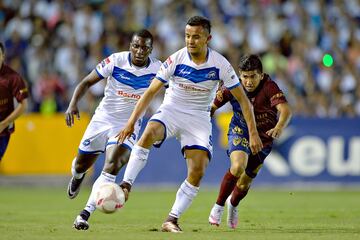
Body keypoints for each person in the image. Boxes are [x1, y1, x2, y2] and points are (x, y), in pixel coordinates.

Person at [117, 16, 263, 233]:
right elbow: (150, 92)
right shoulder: (175, 59)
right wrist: (130, 123)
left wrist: (253, 134)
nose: (190, 41)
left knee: (198, 170)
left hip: (198, 118)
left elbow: (244, 102)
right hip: (172, 111)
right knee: (148, 133)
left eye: (196, 36)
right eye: (187, 36)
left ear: (208, 38)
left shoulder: (220, 64)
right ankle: (125, 185)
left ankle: (171, 219)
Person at [65, 29, 161, 230]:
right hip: (103, 120)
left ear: (151, 49)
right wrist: (73, 104)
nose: (140, 50)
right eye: (136, 45)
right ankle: (77, 175)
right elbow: (86, 82)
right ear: (130, 46)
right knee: (81, 164)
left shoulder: (159, 69)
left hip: (128, 125)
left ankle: (84, 214)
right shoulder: (116, 61)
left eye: (145, 47)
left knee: (112, 165)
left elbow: (175, 92)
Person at [208, 54, 292, 229]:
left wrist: (279, 127)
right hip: (240, 129)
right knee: (238, 166)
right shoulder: (232, 85)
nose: (248, 81)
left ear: (261, 75)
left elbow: (285, 110)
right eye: (244, 76)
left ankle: (233, 205)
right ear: (239, 75)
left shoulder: (269, 86)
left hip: (264, 139)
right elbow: (212, 108)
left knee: (245, 182)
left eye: (253, 76)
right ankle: (218, 206)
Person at [0, 42, 28, 162]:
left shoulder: (13, 78)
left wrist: (3, 124)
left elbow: (23, 105)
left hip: (2, 131)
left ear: (3, 56)